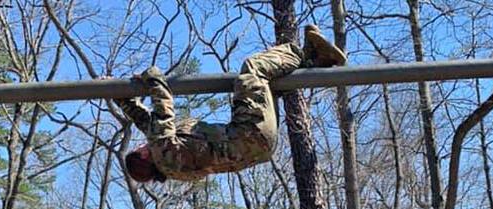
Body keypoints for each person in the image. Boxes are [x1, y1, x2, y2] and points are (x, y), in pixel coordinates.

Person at [116, 25, 346, 183]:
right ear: (143, 157)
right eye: (139, 149)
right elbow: (163, 108)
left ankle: (318, 60)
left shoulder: (169, 162)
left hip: (257, 147)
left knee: (269, 87)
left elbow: (148, 123)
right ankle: (305, 53)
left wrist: (119, 96)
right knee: (253, 70)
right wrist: (152, 75)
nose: (141, 145)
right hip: (249, 134)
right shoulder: (162, 149)